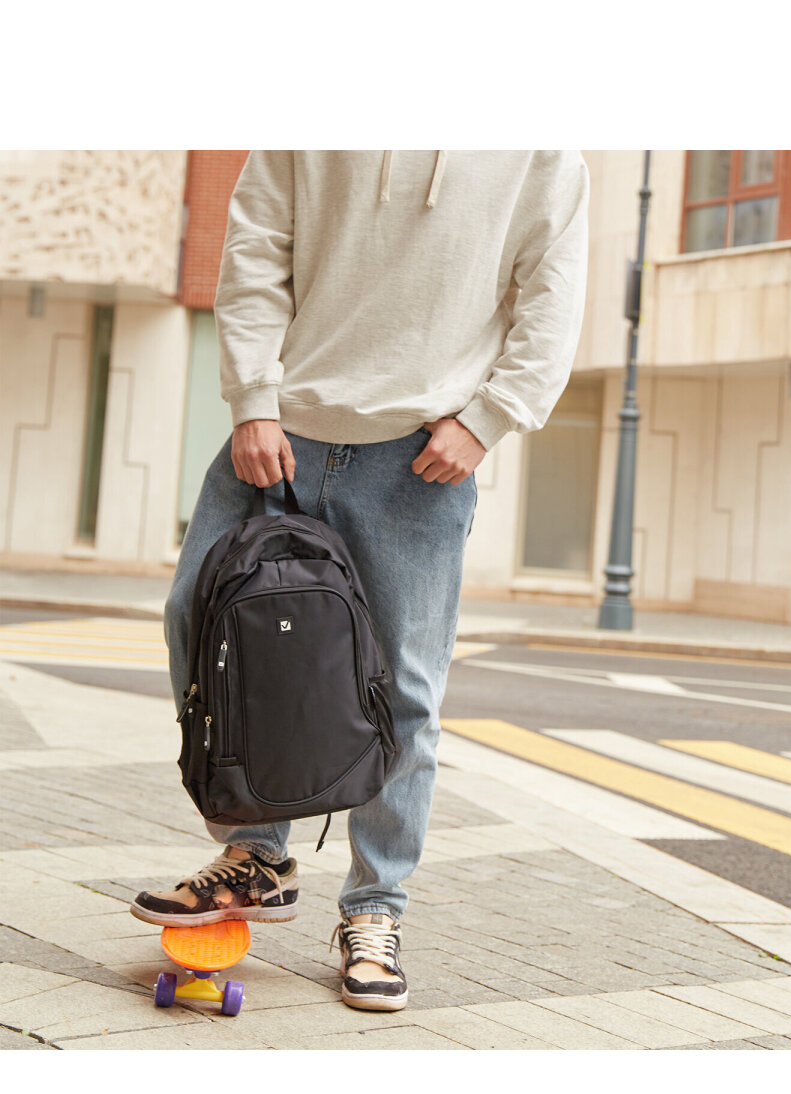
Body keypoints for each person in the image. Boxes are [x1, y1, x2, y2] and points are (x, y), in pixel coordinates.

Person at [130, 150, 590, 1011]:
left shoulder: (540, 147)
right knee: (198, 619)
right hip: (281, 432)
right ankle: (255, 852)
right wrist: (253, 399)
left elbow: (552, 291)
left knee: (405, 689)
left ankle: (374, 909)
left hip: (420, 458)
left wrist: (489, 421)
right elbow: (258, 247)